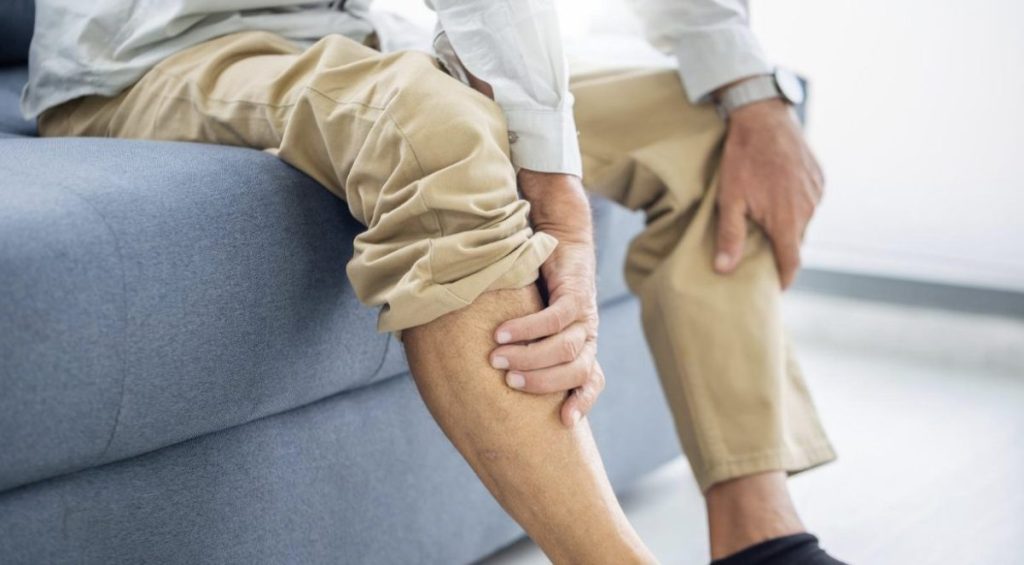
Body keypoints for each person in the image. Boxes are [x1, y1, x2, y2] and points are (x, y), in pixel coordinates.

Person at [23, 0, 843, 563]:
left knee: (702, 123)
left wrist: (748, 90)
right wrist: (554, 193)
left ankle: (760, 540)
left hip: (364, 28)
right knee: (436, 132)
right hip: (156, 48)